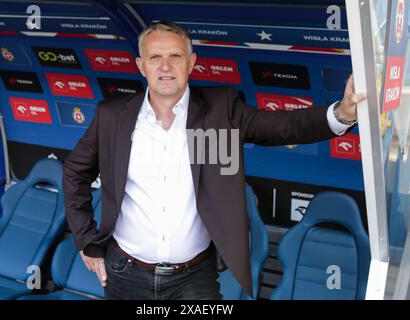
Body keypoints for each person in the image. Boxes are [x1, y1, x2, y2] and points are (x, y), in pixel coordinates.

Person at [63, 21, 366, 300]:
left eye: (176, 56)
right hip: (124, 273)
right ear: (141, 66)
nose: (165, 66)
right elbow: (75, 173)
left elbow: (281, 126)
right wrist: (85, 239)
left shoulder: (221, 110)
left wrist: (343, 114)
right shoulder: (112, 116)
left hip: (194, 278)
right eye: (155, 58)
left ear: (191, 63)